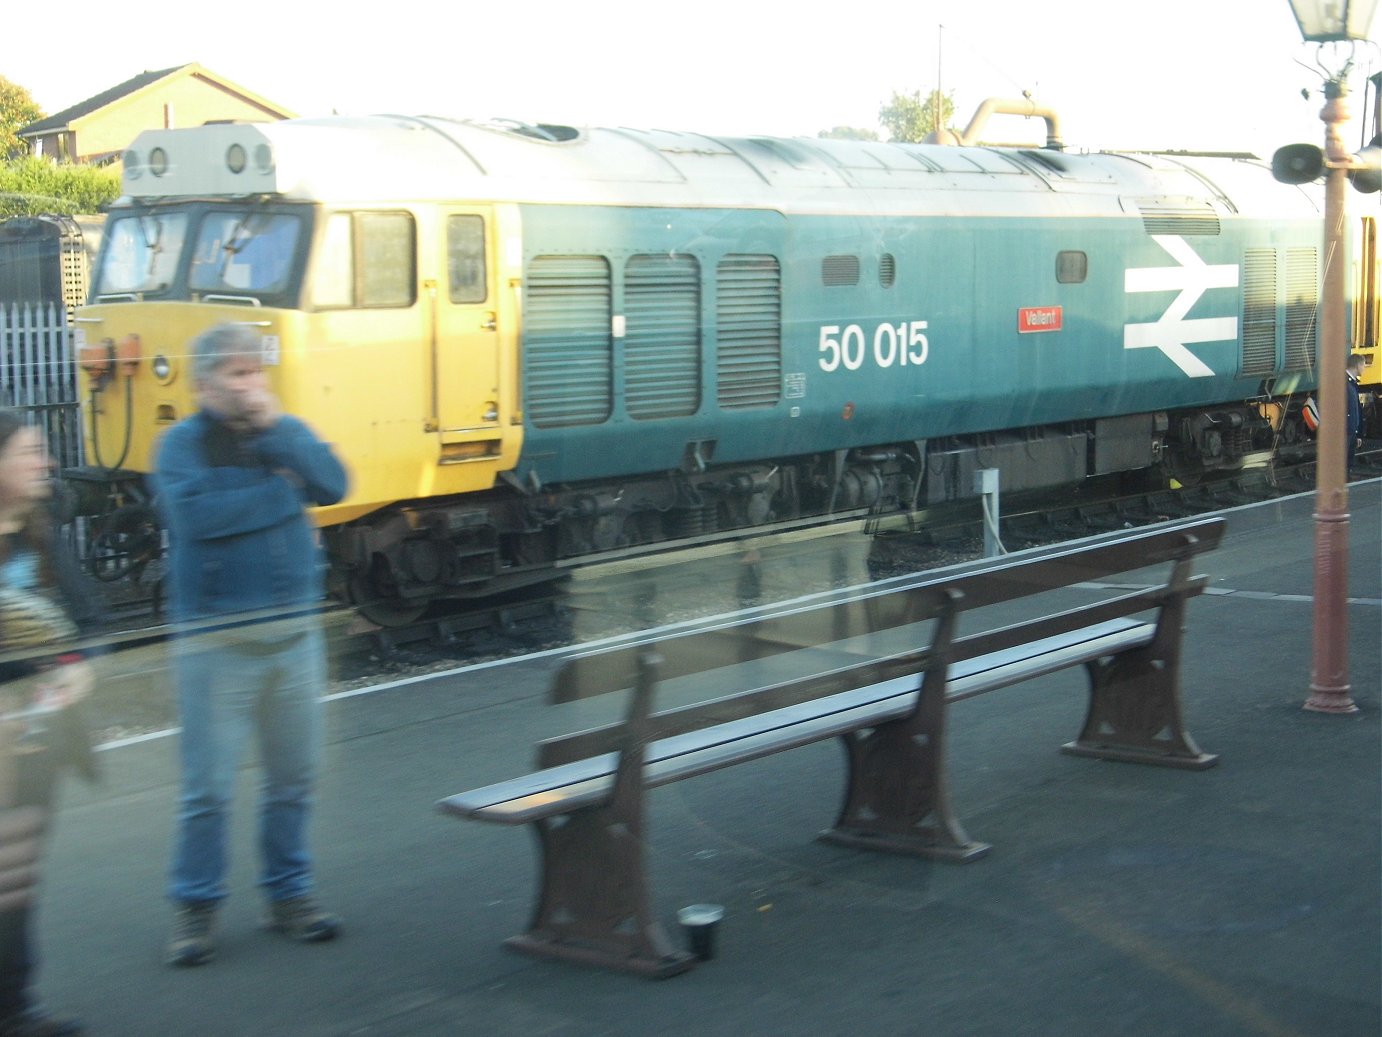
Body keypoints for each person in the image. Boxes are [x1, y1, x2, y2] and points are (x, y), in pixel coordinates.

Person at [154, 323, 348, 968]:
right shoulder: (178, 447)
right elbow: (195, 518)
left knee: (293, 780)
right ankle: (195, 908)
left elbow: (336, 485)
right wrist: (282, 492)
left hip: (294, 640)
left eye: (257, 371)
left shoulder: (282, 434)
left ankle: (289, 896)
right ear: (205, 383)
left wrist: (285, 433)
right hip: (216, 648)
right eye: (239, 374)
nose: (253, 383)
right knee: (207, 789)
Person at [0, 412, 99, 1037]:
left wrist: (77, 669)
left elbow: (87, 618)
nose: (45, 463)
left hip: (33, 745)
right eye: (30, 451)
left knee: (17, 883)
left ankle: (16, 1007)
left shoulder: (39, 535)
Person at [1345, 353, 1365, 472]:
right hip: (1344, 432)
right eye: (1363, 365)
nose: (1364, 368)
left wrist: (1357, 434)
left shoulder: (1351, 383)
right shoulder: (1343, 383)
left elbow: (1356, 410)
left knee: (1348, 465)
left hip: (1351, 433)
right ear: (1357, 365)